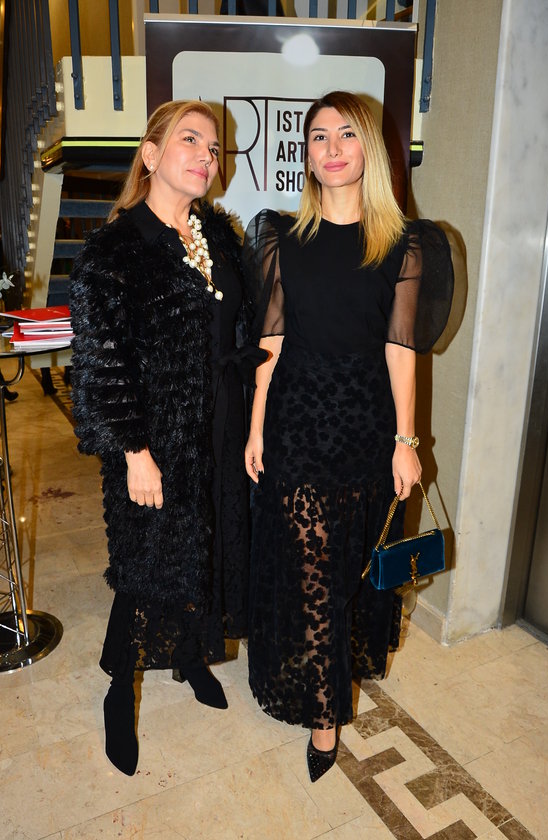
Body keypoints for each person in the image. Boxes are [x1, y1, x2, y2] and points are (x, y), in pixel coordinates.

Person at [243, 90, 453, 782]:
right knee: (312, 574)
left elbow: (401, 350)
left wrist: (406, 442)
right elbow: (270, 340)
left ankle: (329, 683)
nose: (331, 148)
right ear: (305, 154)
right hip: (297, 423)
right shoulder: (279, 236)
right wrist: (255, 427)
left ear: (370, 150)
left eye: (346, 134)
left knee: (345, 576)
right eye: (318, 136)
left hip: (365, 429)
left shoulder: (405, 244)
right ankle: (325, 716)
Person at [70, 100, 264, 776]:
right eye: (190, 140)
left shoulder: (219, 234)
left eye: (213, 146)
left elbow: (243, 327)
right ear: (150, 155)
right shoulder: (116, 250)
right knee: (146, 565)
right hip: (157, 441)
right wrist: (134, 453)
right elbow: (102, 366)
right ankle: (118, 692)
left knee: (208, 549)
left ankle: (191, 657)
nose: (206, 155)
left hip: (223, 428)